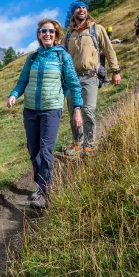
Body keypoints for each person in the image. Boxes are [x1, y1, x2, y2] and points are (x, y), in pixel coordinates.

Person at [7, 19, 83, 209]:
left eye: (51, 31)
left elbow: (73, 84)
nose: (47, 34)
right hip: (30, 110)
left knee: (46, 150)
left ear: (56, 35)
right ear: (39, 35)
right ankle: (41, 185)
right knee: (34, 151)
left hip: (51, 110)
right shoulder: (32, 58)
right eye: (43, 31)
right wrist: (14, 95)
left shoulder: (62, 57)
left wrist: (77, 110)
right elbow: (22, 81)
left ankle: (45, 191)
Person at [63, 1, 121, 157]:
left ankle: (88, 146)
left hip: (90, 76)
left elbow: (109, 50)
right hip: (72, 79)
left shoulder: (97, 29)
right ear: (73, 12)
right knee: (73, 113)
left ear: (86, 10)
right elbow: (63, 57)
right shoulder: (69, 35)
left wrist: (116, 70)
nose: (81, 9)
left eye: (83, 7)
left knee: (88, 110)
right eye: (77, 7)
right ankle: (77, 143)